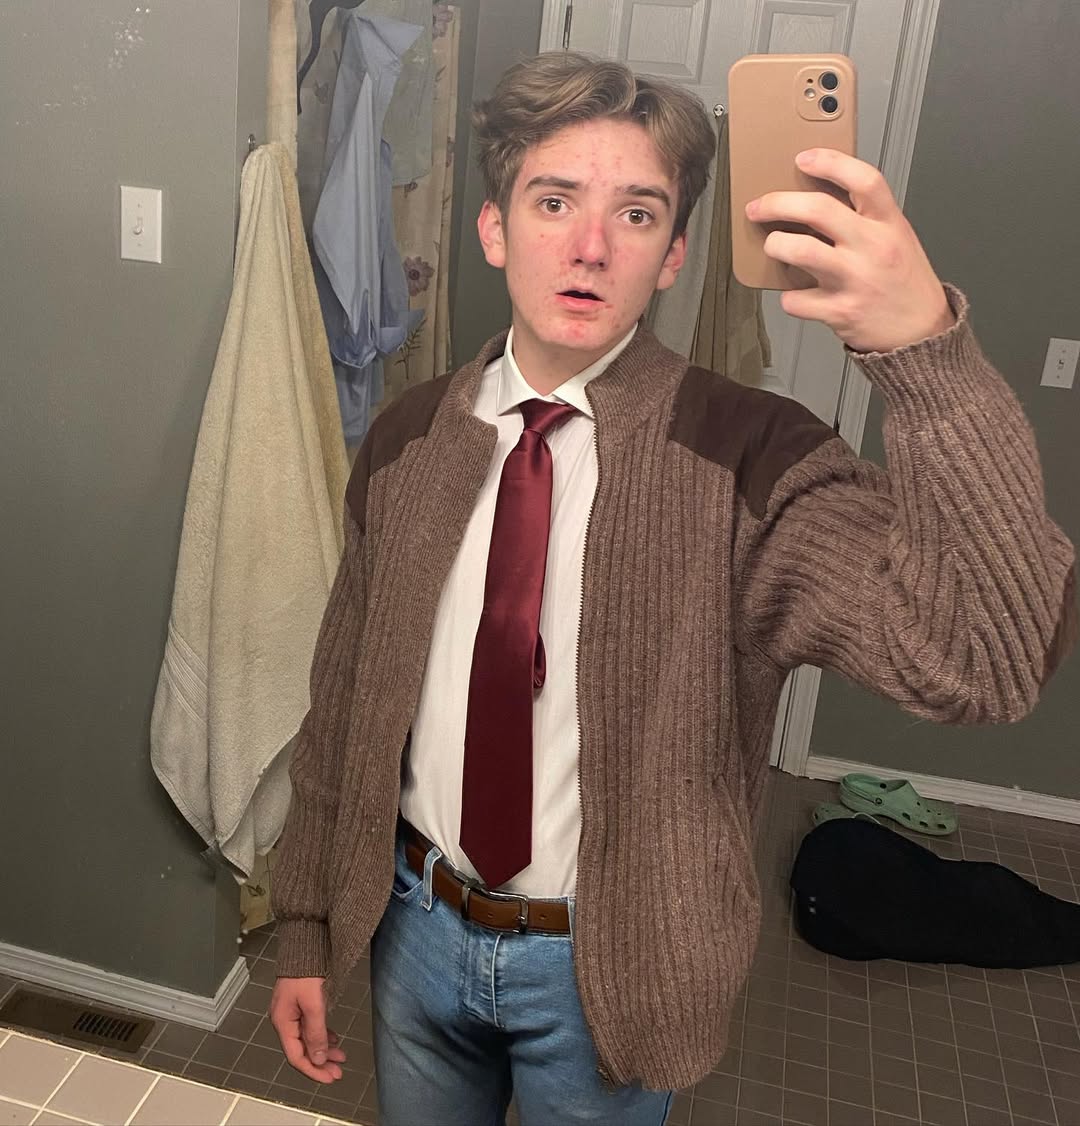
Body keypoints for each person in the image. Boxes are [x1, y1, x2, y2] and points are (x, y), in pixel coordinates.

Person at [269, 51, 1076, 1126]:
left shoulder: (751, 458)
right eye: (554, 201)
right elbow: (343, 707)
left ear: (674, 254)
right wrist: (304, 925)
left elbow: (986, 658)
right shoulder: (409, 439)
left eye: (638, 214)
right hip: (412, 932)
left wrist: (926, 354)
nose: (591, 246)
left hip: (613, 967)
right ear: (496, 228)